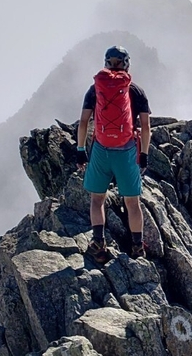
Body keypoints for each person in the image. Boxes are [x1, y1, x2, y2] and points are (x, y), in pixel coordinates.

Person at [76, 45, 151, 262]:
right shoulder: (136, 91)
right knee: (132, 203)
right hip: (126, 151)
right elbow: (145, 127)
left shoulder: (95, 89)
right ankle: (138, 248)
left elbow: (83, 122)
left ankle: (98, 242)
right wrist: (143, 155)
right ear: (127, 63)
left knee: (97, 199)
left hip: (100, 149)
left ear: (106, 63)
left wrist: (81, 151)